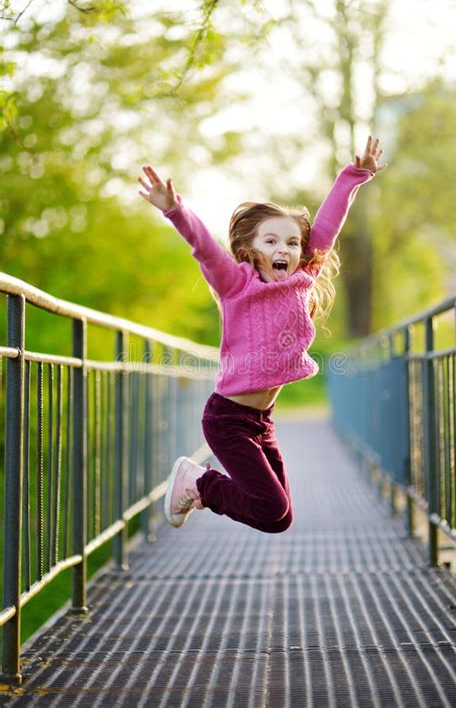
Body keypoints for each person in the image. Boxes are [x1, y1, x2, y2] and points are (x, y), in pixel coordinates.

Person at [138, 135, 387, 532]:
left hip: (261, 421)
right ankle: (198, 481)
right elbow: (205, 248)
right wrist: (176, 211)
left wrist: (354, 175)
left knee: (280, 517)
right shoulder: (235, 284)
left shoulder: (303, 279)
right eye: (270, 241)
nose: (283, 249)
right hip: (227, 419)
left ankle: (200, 484)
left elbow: (328, 228)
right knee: (270, 510)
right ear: (251, 249)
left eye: (291, 242)